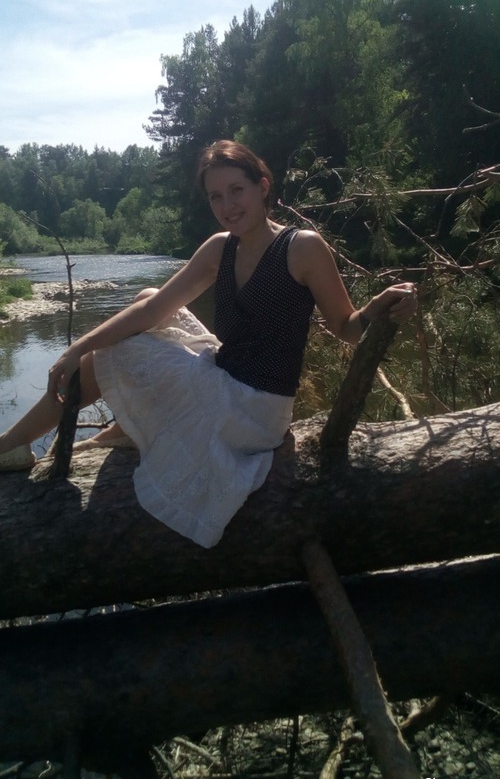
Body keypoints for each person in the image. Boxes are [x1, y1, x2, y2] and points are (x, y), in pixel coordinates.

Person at [0, 140, 416, 547]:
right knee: (147, 297)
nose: (227, 205)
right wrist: (76, 347)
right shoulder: (221, 249)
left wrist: (377, 308)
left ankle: (10, 446)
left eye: (237, 190)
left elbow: (346, 327)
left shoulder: (301, 247)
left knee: (114, 352)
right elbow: (154, 309)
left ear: (262, 187)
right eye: (216, 196)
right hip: (224, 373)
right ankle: (119, 429)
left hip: (255, 408)